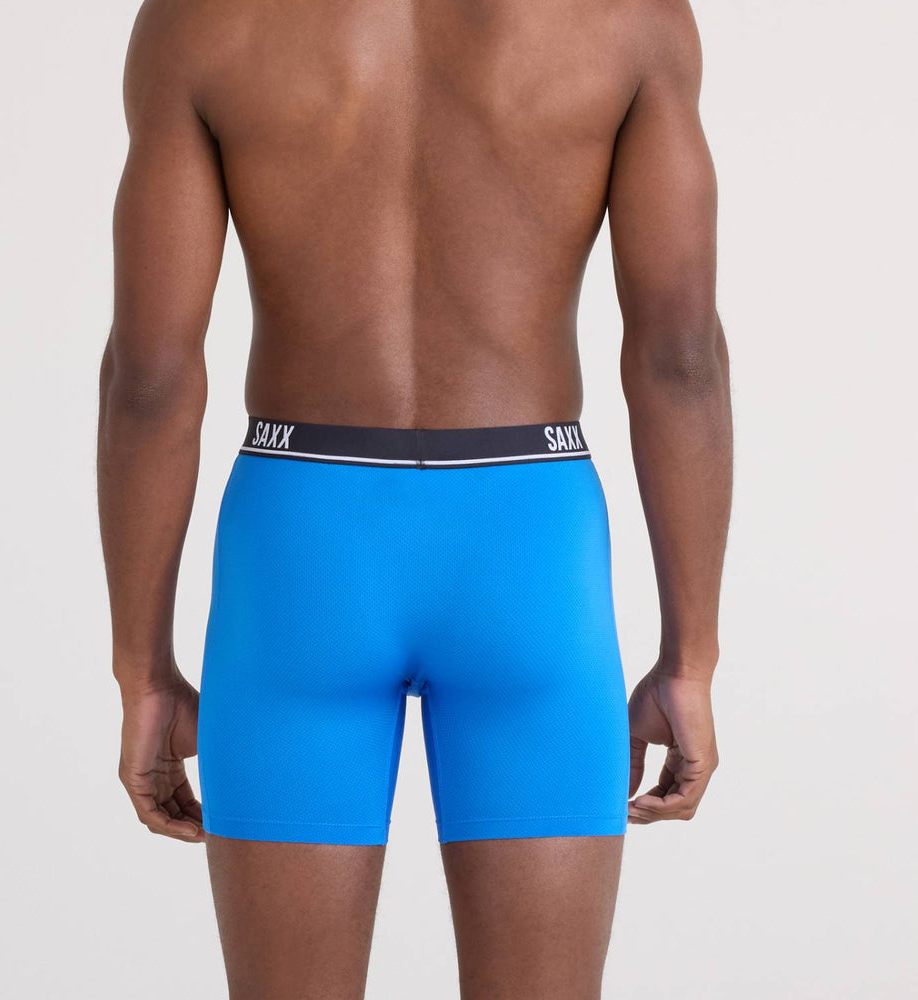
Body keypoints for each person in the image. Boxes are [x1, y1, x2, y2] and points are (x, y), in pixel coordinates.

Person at [97, 0, 732, 995]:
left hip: (301, 548)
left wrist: (141, 672)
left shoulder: (202, 19)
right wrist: (690, 660)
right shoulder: (625, 16)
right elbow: (680, 355)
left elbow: (150, 377)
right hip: (527, 542)